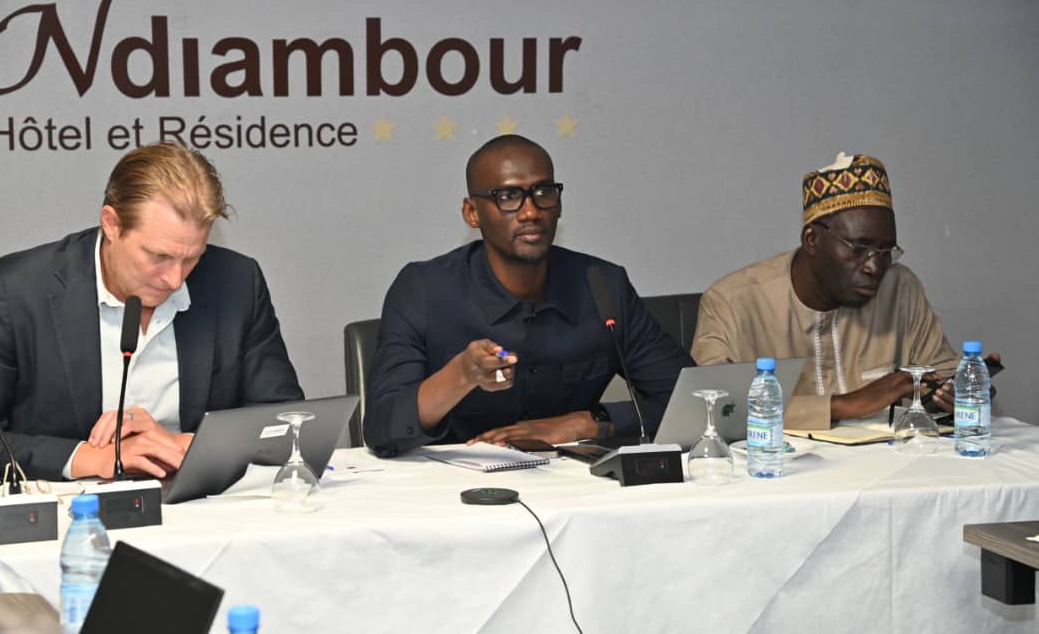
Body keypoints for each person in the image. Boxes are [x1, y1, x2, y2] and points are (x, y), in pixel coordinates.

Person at [0, 142, 303, 481]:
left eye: (191, 258)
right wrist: (90, 458)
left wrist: (188, 445)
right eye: (159, 256)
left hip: (201, 505)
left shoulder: (236, 283)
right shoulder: (15, 291)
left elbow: (287, 422)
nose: (174, 278)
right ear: (112, 224)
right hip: (70, 506)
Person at [363, 134, 692, 457]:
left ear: (558, 205)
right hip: (453, 483)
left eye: (543, 192)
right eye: (508, 196)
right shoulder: (424, 289)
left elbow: (697, 403)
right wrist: (462, 375)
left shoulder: (603, 285)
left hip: (573, 480)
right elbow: (382, 428)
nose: (531, 212)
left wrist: (589, 422)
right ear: (472, 212)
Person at [692, 152, 997, 430]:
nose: (875, 267)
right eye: (859, 249)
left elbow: (941, 375)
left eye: (885, 252)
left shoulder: (900, 288)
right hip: (782, 468)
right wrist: (846, 405)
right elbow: (712, 411)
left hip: (887, 464)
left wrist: (963, 392)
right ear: (812, 240)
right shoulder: (732, 302)